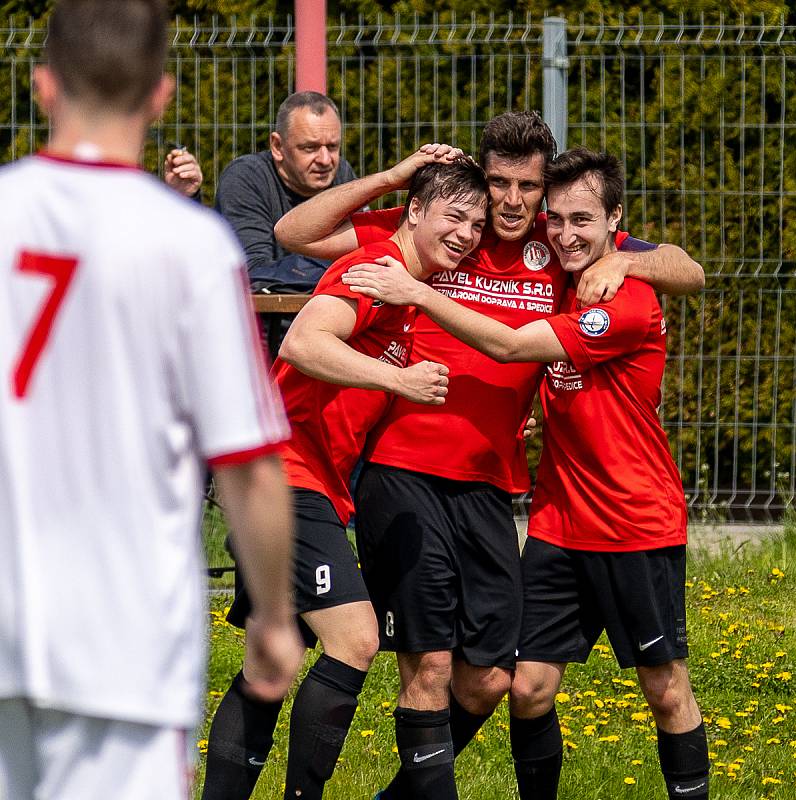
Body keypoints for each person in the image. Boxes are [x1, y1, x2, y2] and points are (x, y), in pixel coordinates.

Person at [276, 113, 705, 800]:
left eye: (526, 186)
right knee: (432, 668)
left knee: (493, 679)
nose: (510, 200)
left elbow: (686, 267)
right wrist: (391, 178)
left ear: (544, 188)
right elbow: (293, 234)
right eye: (499, 182)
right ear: (481, 180)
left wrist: (625, 257)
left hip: (494, 490)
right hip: (405, 474)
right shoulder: (450, 231)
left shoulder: (558, 240)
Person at [0, 2, 303, 799]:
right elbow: (247, 464)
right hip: (121, 640)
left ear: (42, 86)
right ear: (161, 94)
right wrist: (273, 618)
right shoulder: (189, 244)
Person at [200, 156, 489, 800]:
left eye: (477, 222)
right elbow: (302, 343)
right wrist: (400, 379)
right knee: (355, 638)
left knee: (271, 657)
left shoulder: (412, 293)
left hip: (302, 482)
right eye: (454, 216)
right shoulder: (376, 269)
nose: (468, 234)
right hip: (285, 476)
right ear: (416, 212)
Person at [216, 90, 359, 357]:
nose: (326, 160)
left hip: (324, 332)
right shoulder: (247, 179)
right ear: (277, 147)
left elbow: (364, 258)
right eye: (310, 148)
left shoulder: (343, 175)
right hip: (257, 341)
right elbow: (256, 274)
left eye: (333, 147)